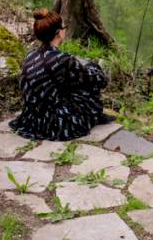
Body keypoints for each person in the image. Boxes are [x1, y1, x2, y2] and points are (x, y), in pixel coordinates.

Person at [9, 8, 113, 141]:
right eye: (64, 27)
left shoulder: (31, 54)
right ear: (59, 33)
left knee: (76, 77)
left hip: (32, 117)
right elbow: (97, 81)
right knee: (90, 80)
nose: (65, 29)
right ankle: (92, 114)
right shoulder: (63, 59)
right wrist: (93, 66)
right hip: (54, 122)